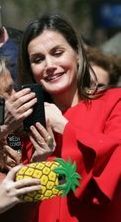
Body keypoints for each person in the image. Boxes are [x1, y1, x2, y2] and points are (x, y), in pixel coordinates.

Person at [17, 13, 121, 222]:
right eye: (38, 59)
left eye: (58, 53)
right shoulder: (25, 126)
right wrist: (37, 161)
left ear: (78, 55)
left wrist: (63, 126)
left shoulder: (114, 102)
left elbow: (112, 164)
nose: (49, 65)